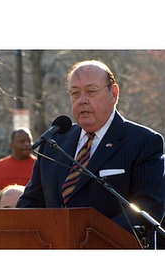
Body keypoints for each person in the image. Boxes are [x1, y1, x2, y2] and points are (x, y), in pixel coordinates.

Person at [17, 60, 165, 248]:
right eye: (75, 93)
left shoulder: (144, 141)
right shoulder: (54, 143)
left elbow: (147, 207)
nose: (82, 100)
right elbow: (30, 202)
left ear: (114, 93)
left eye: (91, 91)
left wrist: (90, 241)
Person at [0, 127, 36, 194]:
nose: (27, 144)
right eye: (22, 141)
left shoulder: (40, 166)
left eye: (29, 141)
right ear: (11, 145)